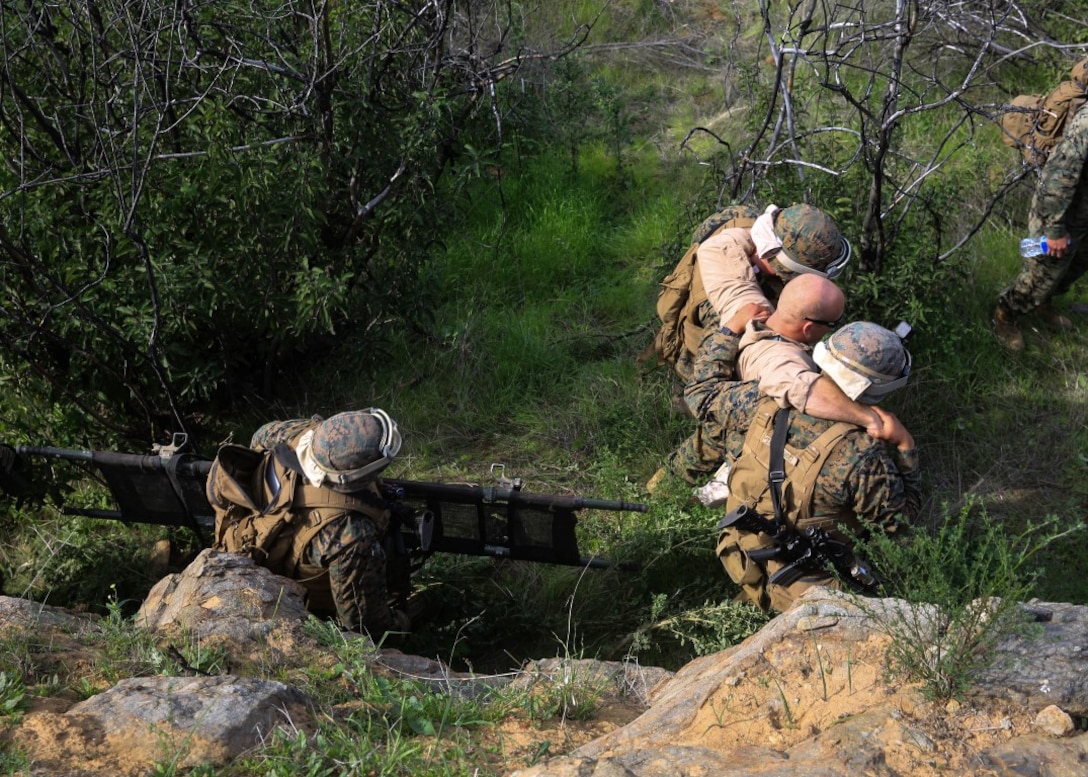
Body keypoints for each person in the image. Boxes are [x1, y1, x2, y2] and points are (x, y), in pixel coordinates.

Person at [696, 321, 918, 612]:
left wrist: (729, 330)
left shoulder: (767, 397)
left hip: (740, 544)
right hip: (804, 584)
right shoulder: (862, 454)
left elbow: (703, 396)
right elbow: (898, 525)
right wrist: (905, 446)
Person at [649, 273, 892, 489]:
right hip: (743, 449)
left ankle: (658, 492)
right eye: (833, 324)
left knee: (680, 471)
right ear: (808, 328)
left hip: (723, 425)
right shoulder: (782, 365)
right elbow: (798, 386)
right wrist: (868, 417)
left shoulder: (751, 316)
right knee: (696, 477)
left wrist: (730, 328)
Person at [247, 408, 409, 639]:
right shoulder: (351, 534)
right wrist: (401, 621)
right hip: (300, 601)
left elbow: (258, 438)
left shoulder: (290, 433)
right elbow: (362, 624)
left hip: (258, 535)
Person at [671, 203, 853, 382]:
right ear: (785, 268)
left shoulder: (742, 216)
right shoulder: (726, 314)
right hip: (699, 358)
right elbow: (707, 377)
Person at [994, 61, 1088, 350]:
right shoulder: (1086, 124)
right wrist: (1054, 230)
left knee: (1077, 263)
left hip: (1084, 210)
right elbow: (1058, 177)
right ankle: (1005, 314)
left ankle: (1043, 304)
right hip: (1061, 210)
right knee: (1043, 270)